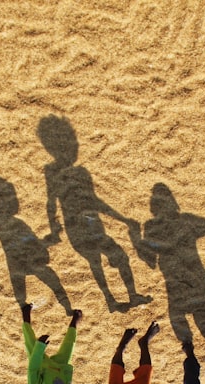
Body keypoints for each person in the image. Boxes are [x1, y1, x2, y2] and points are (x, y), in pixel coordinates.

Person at [37, 114, 151, 313]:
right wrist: (122, 219)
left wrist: (54, 228)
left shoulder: (56, 172)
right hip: (87, 226)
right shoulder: (73, 173)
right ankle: (125, 296)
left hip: (82, 228)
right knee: (113, 258)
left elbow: (51, 203)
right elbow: (92, 202)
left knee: (97, 262)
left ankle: (113, 300)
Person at [135, 183, 205, 344]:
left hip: (176, 285)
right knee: (202, 310)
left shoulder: (151, 228)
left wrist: (137, 241)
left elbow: (150, 262)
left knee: (179, 316)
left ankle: (189, 349)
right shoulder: (187, 220)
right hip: (197, 282)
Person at [0, 177, 73, 314]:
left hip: (17, 263)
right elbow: (31, 245)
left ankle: (64, 308)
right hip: (28, 262)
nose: (15, 202)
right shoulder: (12, 223)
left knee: (23, 293)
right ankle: (67, 308)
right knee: (51, 280)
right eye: (11, 198)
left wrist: (47, 240)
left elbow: (29, 243)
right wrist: (50, 239)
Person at [23, 303, 88, 384]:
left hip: (42, 363)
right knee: (69, 345)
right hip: (61, 368)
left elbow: (33, 368)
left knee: (30, 341)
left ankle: (26, 316)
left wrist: (40, 347)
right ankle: (74, 322)